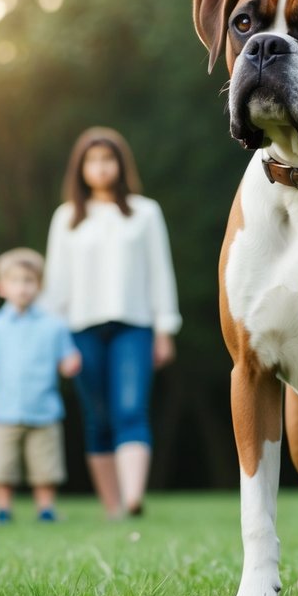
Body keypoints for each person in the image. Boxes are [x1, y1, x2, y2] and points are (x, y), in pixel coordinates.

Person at [43, 127, 181, 519]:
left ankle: (133, 497)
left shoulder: (145, 213)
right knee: (98, 418)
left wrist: (164, 329)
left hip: (134, 326)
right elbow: (56, 285)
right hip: (80, 329)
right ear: (80, 169)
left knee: (130, 410)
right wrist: (57, 342)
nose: (101, 168)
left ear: (121, 166)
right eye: (93, 161)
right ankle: (112, 506)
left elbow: (160, 273)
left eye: (108, 160)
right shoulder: (66, 218)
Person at [0, 248, 81, 525]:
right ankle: (2, 508)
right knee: (2, 465)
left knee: (45, 465)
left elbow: (65, 357)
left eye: (29, 281)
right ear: (1, 287)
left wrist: (70, 364)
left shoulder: (53, 326)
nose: (22, 288)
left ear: (39, 286)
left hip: (43, 407)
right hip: (4, 408)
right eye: (15, 281)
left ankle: (45, 507)